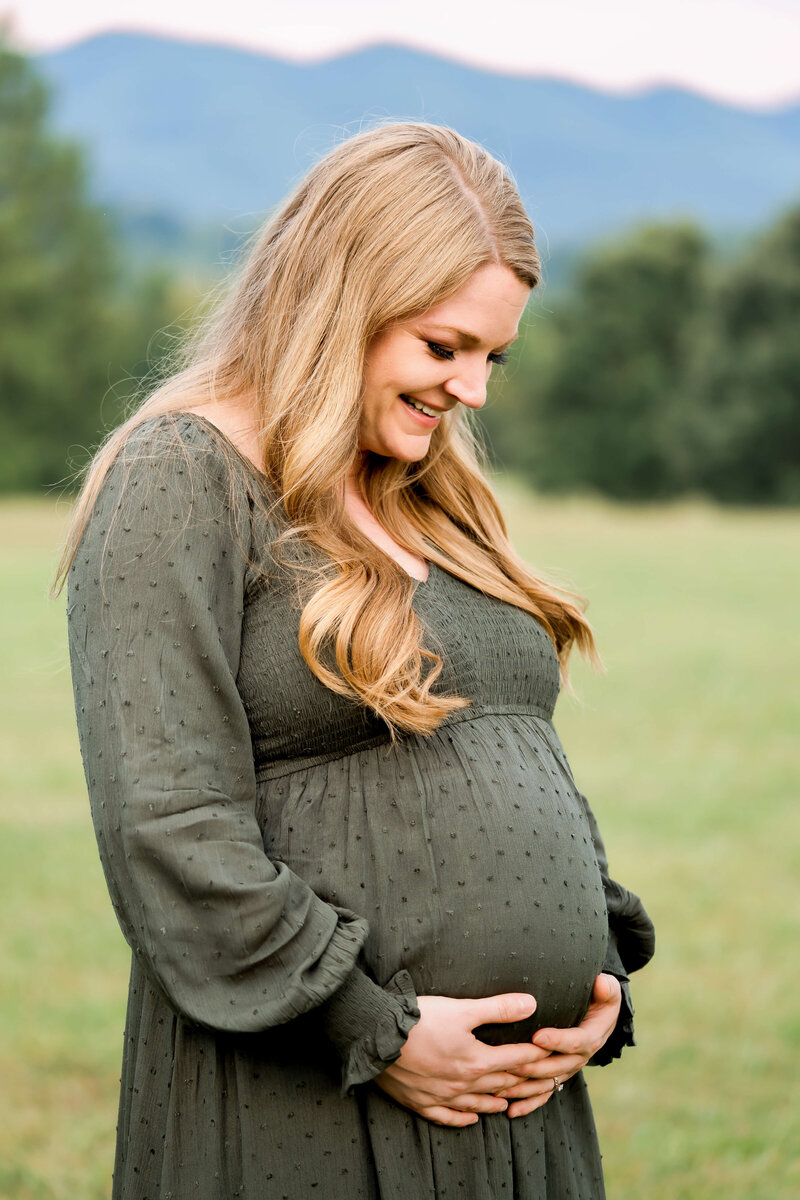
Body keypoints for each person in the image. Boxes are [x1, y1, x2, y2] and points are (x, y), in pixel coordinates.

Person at [56, 122, 654, 1199]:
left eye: (491, 356)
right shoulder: (179, 479)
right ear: (343, 304)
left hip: (514, 1110)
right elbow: (169, 826)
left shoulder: (423, 488)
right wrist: (371, 1025)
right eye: (442, 347)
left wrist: (593, 968)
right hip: (312, 1097)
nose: (470, 390)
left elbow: (507, 752)